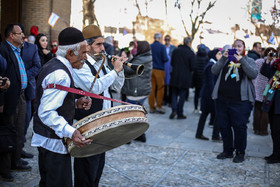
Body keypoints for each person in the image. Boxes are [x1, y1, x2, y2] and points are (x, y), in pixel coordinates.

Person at [31, 27, 92, 186]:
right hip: (53, 143)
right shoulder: (61, 74)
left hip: (47, 139)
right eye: (84, 52)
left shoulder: (56, 64)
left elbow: (50, 100)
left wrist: (75, 102)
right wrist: (71, 131)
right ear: (70, 53)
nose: (86, 57)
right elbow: (46, 111)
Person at [72, 24, 125, 187]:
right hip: (88, 124)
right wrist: (114, 72)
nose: (103, 48)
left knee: (97, 167)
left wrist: (120, 69)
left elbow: (115, 87)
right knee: (86, 168)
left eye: (103, 44)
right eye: (98, 44)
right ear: (87, 46)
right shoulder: (81, 64)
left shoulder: (99, 62)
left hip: (102, 123)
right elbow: (95, 87)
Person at [212, 39, 258, 163]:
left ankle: (240, 152)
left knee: (239, 127)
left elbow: (253, 74)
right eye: (235, 46)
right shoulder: (226, 60)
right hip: (222, 99)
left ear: (244, 48)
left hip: (240, 101)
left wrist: (241, 60)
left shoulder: (249, 60)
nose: (237, 48)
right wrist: (222, 58)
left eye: (239, 46)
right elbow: (214, 70)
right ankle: (227, 150)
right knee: (224, 126)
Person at [0, 23, 31, 182]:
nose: (23, 36)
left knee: (20, 130)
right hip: (9, 98)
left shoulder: (17, 50)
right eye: (20, 33)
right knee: (8, 132)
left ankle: (16, 161)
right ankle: (5, 169)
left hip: (21, 95)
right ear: (11, 35)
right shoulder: (3, 49)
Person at [122, 40, 152, 143]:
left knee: (129, 114)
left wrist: (123, 59)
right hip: (139, 90)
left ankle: (128, 137)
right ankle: (139, 135)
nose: (133, 49)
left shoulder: (142, 59)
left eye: (135, 47)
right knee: (136, 114)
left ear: (141, 48)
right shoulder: (143, 57)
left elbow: (128, 69)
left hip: (136, 91)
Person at [19, 24, 41, 159]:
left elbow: (37, 66)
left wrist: (21, 75)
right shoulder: (6, 49)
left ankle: (19, 150)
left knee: (25, 121)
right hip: (11, 92)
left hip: (27, 91)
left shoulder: (32, 48)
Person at [195, 48, 222, 140]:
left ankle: (203, 134)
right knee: (213, 115)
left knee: (207, 115)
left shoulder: (212, 64)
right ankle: (214, 135)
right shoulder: (211, 65)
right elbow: (211, 82)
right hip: (209, 95)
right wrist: (214, 94)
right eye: (219, 54)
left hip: (208, 94)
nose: (220, 55)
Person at [169, 37, 195, 119]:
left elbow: (172, 63)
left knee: (174, 94)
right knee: (182, 95)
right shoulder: (190, 53)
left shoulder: (176, 51)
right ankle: (179, 112)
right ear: (189, 43)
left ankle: (174, 110)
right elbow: (193, 66)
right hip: (185, 77)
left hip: (175, 75)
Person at [260, 54, 280, 164]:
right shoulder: (276, 64)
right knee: (274, 130)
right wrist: (267, 60)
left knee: (277, 131)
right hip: (272, 101)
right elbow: (265, 72)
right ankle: (275, 153)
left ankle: (277, 155)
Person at [252, 47, 276, 135]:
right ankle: (263, 130)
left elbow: (254, 73)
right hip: (269, 88)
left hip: (257, 87)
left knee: (257, 109)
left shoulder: (258, 61)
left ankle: (256, 128)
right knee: (265, 110)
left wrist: (254, 84)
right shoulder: (275, 63)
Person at [149, 33, 169, 114]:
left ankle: (151, 107)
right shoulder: (162, 46)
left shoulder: (150, 46)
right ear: (159, 38)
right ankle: (159, 106)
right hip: (160, 70)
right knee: (160, 88)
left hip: (151, 69)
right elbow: (165, 59)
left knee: (152, 89)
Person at [192, 44, 209, 113]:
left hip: (196, 78)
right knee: (202, 94)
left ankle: (195, 108)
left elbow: (194, 67)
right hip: (203, 78)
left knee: (196, 93)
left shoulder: (195, 57)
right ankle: (202, 108)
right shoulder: (206, 58)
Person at [163, 35, 176, 106]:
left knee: (170, 86)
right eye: (166, 39)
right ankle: (164, 100)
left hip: (171, 68)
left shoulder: (173, 48)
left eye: (168, 39)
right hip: (164, 68)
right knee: (164, 85)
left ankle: (170, 101)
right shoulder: (162, 47)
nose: (167, 41)